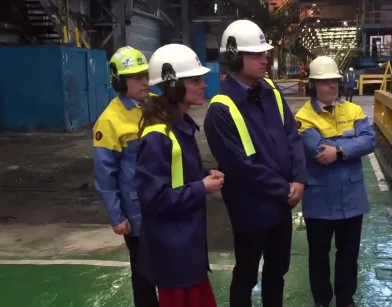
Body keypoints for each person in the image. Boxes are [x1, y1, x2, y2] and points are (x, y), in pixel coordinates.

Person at [203, 19, 307, 307]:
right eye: (257, 55)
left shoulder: (271, 91)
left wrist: (299, 179)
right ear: (235, 57)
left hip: (282, 204)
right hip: (252, 210)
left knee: (278, 273)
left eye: (265, 54)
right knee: (247, 275)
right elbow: (240, 166)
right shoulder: (221, 110)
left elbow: (292, 135)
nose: (265, 60)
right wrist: (285, 189)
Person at [134, 43, 223, 307]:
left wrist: (204, 174)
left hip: (187, 247)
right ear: (173, 85)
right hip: (173, 251)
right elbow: (153, 199)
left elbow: (178, 174)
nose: (203, 85)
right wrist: (201, 188)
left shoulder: (180, 126)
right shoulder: (157, 136)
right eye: (195, 80)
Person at [294, 56, 375, 307]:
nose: (332, 86)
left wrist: (338, 151)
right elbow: (318, 150)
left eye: (335, 81)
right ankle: (322, 300)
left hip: (352, 197)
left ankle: (345, 297)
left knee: (349, 253)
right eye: (325, 82)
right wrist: (350, 147)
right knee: (319, 255)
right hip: (320, 199)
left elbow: (370, 140)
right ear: (313, 85)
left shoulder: (354, 111)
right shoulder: (303, 117)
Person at [93, 46, 158, 307]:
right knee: (143, 275)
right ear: (120, 81)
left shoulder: (156, 105)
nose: (145, 81)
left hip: (164, 202)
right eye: (136, 77)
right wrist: (117, 217)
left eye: (145, 74)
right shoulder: (110, 121)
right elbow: (105, 175)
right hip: (136, 212)